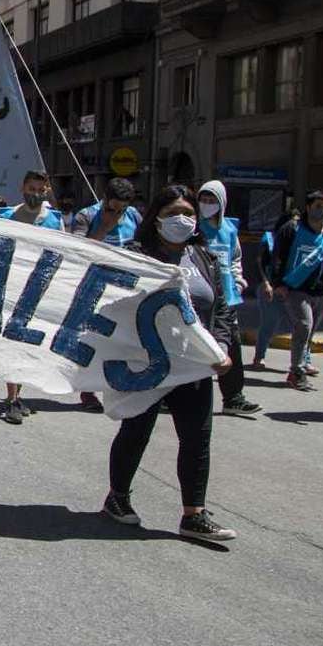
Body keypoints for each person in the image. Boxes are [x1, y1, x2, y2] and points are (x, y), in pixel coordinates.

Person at [102, 184, 237, 541]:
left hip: (192, 366)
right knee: (136, 431)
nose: (182, 220)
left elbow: (220, 307)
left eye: (188, 213)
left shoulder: (204, 257)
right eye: (172, 213)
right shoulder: (136, 255)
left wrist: (221, 345)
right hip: (146, 363)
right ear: (155, 219)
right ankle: (117, 497)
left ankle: (193, 514)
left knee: (196, 439)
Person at [70, 177, 142, 412]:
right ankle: (88, 391)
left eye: (122, 209)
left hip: (126, 290)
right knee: (93, 341)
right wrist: (104, 228)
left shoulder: (134, 217)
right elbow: (79, 250)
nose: (118, 214)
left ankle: (118, 385)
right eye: (113, 208)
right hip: (95, 288)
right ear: (104, 199)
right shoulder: (86, 216)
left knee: (122, 341)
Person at [0, 170, 63, 422]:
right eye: (31, 188)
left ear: (46, 191)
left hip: (40, 289)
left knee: (27, 345)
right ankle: (11, 399)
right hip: (13, 287)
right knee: (13, 343)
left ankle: (16, 394)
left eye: (40, 189)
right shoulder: (7, 216)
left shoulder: (54, 220)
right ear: (22, 188)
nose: (35, 193)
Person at [195, 180, 261, 415]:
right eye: (204, 199)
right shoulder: (194, 227)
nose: (207, 205)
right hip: (201, 295)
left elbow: (235, 259)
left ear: (222, 202)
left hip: (227, 296)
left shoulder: (229, 230)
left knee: (231, 344)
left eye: (212, 200)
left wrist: (239, 280)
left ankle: (233, 397)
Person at [272, 190, 323, 392]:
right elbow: (278, 257)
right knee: (303, 325)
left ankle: (303, 363)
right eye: (318, 206)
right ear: (309, 207)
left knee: (309, 331)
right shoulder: (292, 229)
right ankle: (297, 371)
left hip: (321, 291)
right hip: (295, 288)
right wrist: (278, 283)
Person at [250, 212, 294, 368]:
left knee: (301, 326)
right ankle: (259, 357)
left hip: (291, 289)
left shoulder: (297, 240)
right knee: (269, 324)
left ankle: (302, 362)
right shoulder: (269, 238)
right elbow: (260, 262)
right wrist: (266, 283)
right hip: (270, 287)